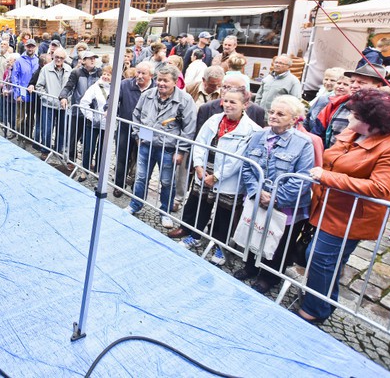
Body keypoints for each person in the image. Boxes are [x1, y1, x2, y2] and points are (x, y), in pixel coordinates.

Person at [298, 89, 390, 324]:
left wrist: (326, 177)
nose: (348, 116)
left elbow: (381, 188)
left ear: (372, 122)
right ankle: (323, 301)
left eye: (354, 113)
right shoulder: (353, 132)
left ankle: (314, 310)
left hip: (350, 216)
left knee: (320, 257)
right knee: (326, 260)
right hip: (328, 206)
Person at [171, 86, 261, 266]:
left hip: (228, 178)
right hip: (206, 170)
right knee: (201, 205)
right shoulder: (214, 119)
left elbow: (239, 159)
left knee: (224, 214)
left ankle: (221, 247)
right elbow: (200, 142)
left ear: (245, 105)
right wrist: (198, 165)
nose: (227, 105)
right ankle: (195, 236)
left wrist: (217, 176)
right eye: (225, 101)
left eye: (232, 102)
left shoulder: (252, 129)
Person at [238, 95, 315, 294]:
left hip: (285, 205)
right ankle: (250, 267)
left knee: (278, 243)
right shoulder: (258, 136)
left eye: (280, 114)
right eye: (272, 112)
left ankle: (269, 277)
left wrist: (275, 198)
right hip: (257, 199)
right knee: (254, 232)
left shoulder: (304, 143)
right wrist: (257, 191)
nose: (273, 116)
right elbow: (247, 166)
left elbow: (302, 178)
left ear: (294, 119)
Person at [126, 64, 197, 228]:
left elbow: (189, 128)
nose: (161, 83)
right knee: (141, 177)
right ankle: (135, 205)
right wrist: (137, 135)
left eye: (165, 80)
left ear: (175, 82)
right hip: (146, 145)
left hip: (168, 149)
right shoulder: (148, 95)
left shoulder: (185, 100)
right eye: (159, 79)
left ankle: (165, 212)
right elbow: (136, 115)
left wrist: (181, 151)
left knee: (167, 182)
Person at [311, 64, 385, 148]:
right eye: (352, 82)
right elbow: (317, 134)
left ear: (378, 86)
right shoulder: (336, 104)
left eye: (361, 82)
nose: (353, 86)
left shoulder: (385, 114)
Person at [113, 61, 155, 197]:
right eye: (138, 72)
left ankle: (137, 188)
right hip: (126, 126)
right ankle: (119, 185)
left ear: (151, 75)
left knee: (142, 158)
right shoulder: (125, 84)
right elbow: (113, 99)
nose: (139, 76)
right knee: (122, 157)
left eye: (143, 73)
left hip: (146, 130)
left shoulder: (155, 89)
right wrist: (109, 108)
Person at [59, 50, 100, 166]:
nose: (93, 60)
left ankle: (87, 163)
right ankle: (71, 160)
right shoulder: (76, 72)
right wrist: (63, 97)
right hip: (78, 111)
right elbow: (68, 86)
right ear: (83, 61)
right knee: (73, 137)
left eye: (94, 58)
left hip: (92, 113)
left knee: (89, 141)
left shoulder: (99, 73)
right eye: (90, 58)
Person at [36, 47, 72, 159]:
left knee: (62, 129)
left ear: (64, 58)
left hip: (63, 106)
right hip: (48, 105)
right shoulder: (46, 69)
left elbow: (72, 87)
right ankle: (45, 150)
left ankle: (58, 150)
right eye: (57, 57)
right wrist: (48, 98)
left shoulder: (69, 69)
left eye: (61, 58)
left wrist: (68, 99)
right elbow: (39, 86)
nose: (59, 59)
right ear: (53, 56)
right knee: (47, 129)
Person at [78, 66, 113, 181]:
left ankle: (98, 171)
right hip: (93, 123)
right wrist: (91, 117)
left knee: (102, 149)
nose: (106, 76)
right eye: (104, 74)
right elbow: (84, 103)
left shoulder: (116, 89)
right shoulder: (95, 87)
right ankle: (85, 170)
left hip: (107, 125)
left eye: (109, 74)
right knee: (89, 148)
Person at [12, 38, 39, 138]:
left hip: (33, 94)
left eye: (32, 46)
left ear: (35, 47)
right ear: (25, 47)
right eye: (28, 46)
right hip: (22, 92)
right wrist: (17, 94)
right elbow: (14, 77)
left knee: (31, 117)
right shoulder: (19, 61)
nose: (30, 49)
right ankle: (19, 134)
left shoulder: (37, 60)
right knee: (21, 116)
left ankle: (28, 136)